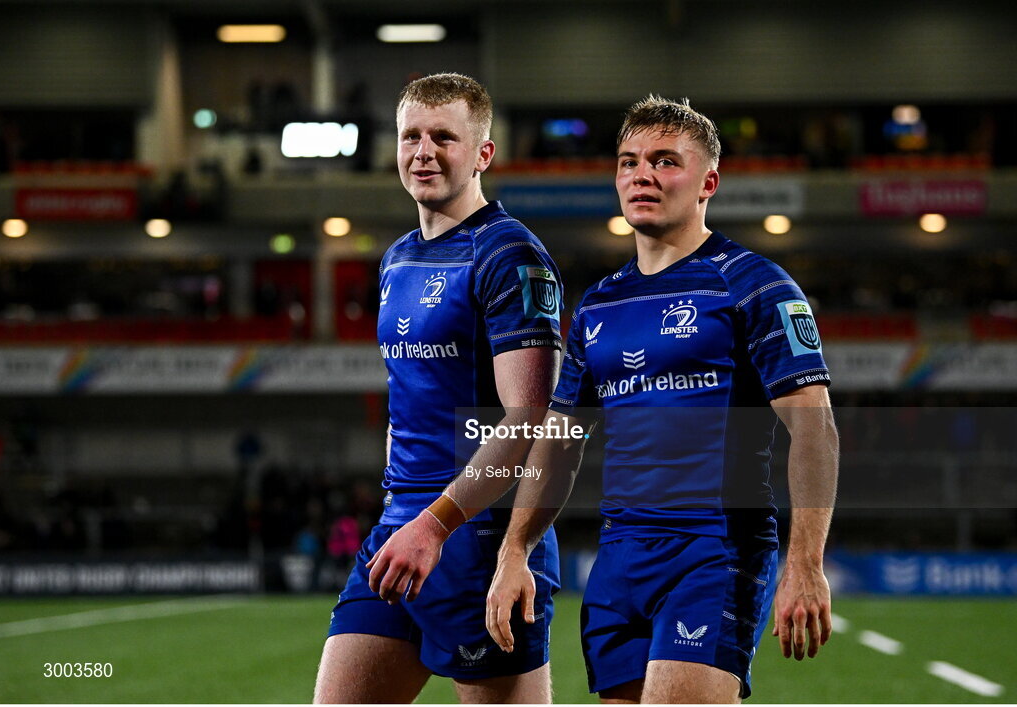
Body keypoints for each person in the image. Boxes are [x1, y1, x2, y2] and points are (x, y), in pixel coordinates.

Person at [374, 95, 840, 703]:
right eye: (629, 161)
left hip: (714, 553)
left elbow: (814, 429)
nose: (642, 174)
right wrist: (516, 549)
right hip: (618, 563)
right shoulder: (598, 304)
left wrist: (805, 560)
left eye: (666, 161)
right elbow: (559, 443)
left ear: (709, 182)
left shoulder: (753, 285)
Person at [313, 73, 563, 704]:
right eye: (411, 136)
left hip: (477, 533)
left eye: (443, 137)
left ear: (483, 153)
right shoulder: (396, 257)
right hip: (401, 525)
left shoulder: (511, 257)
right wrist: (407, 511)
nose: (423, 151)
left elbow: (530, 418)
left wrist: (437, 525)